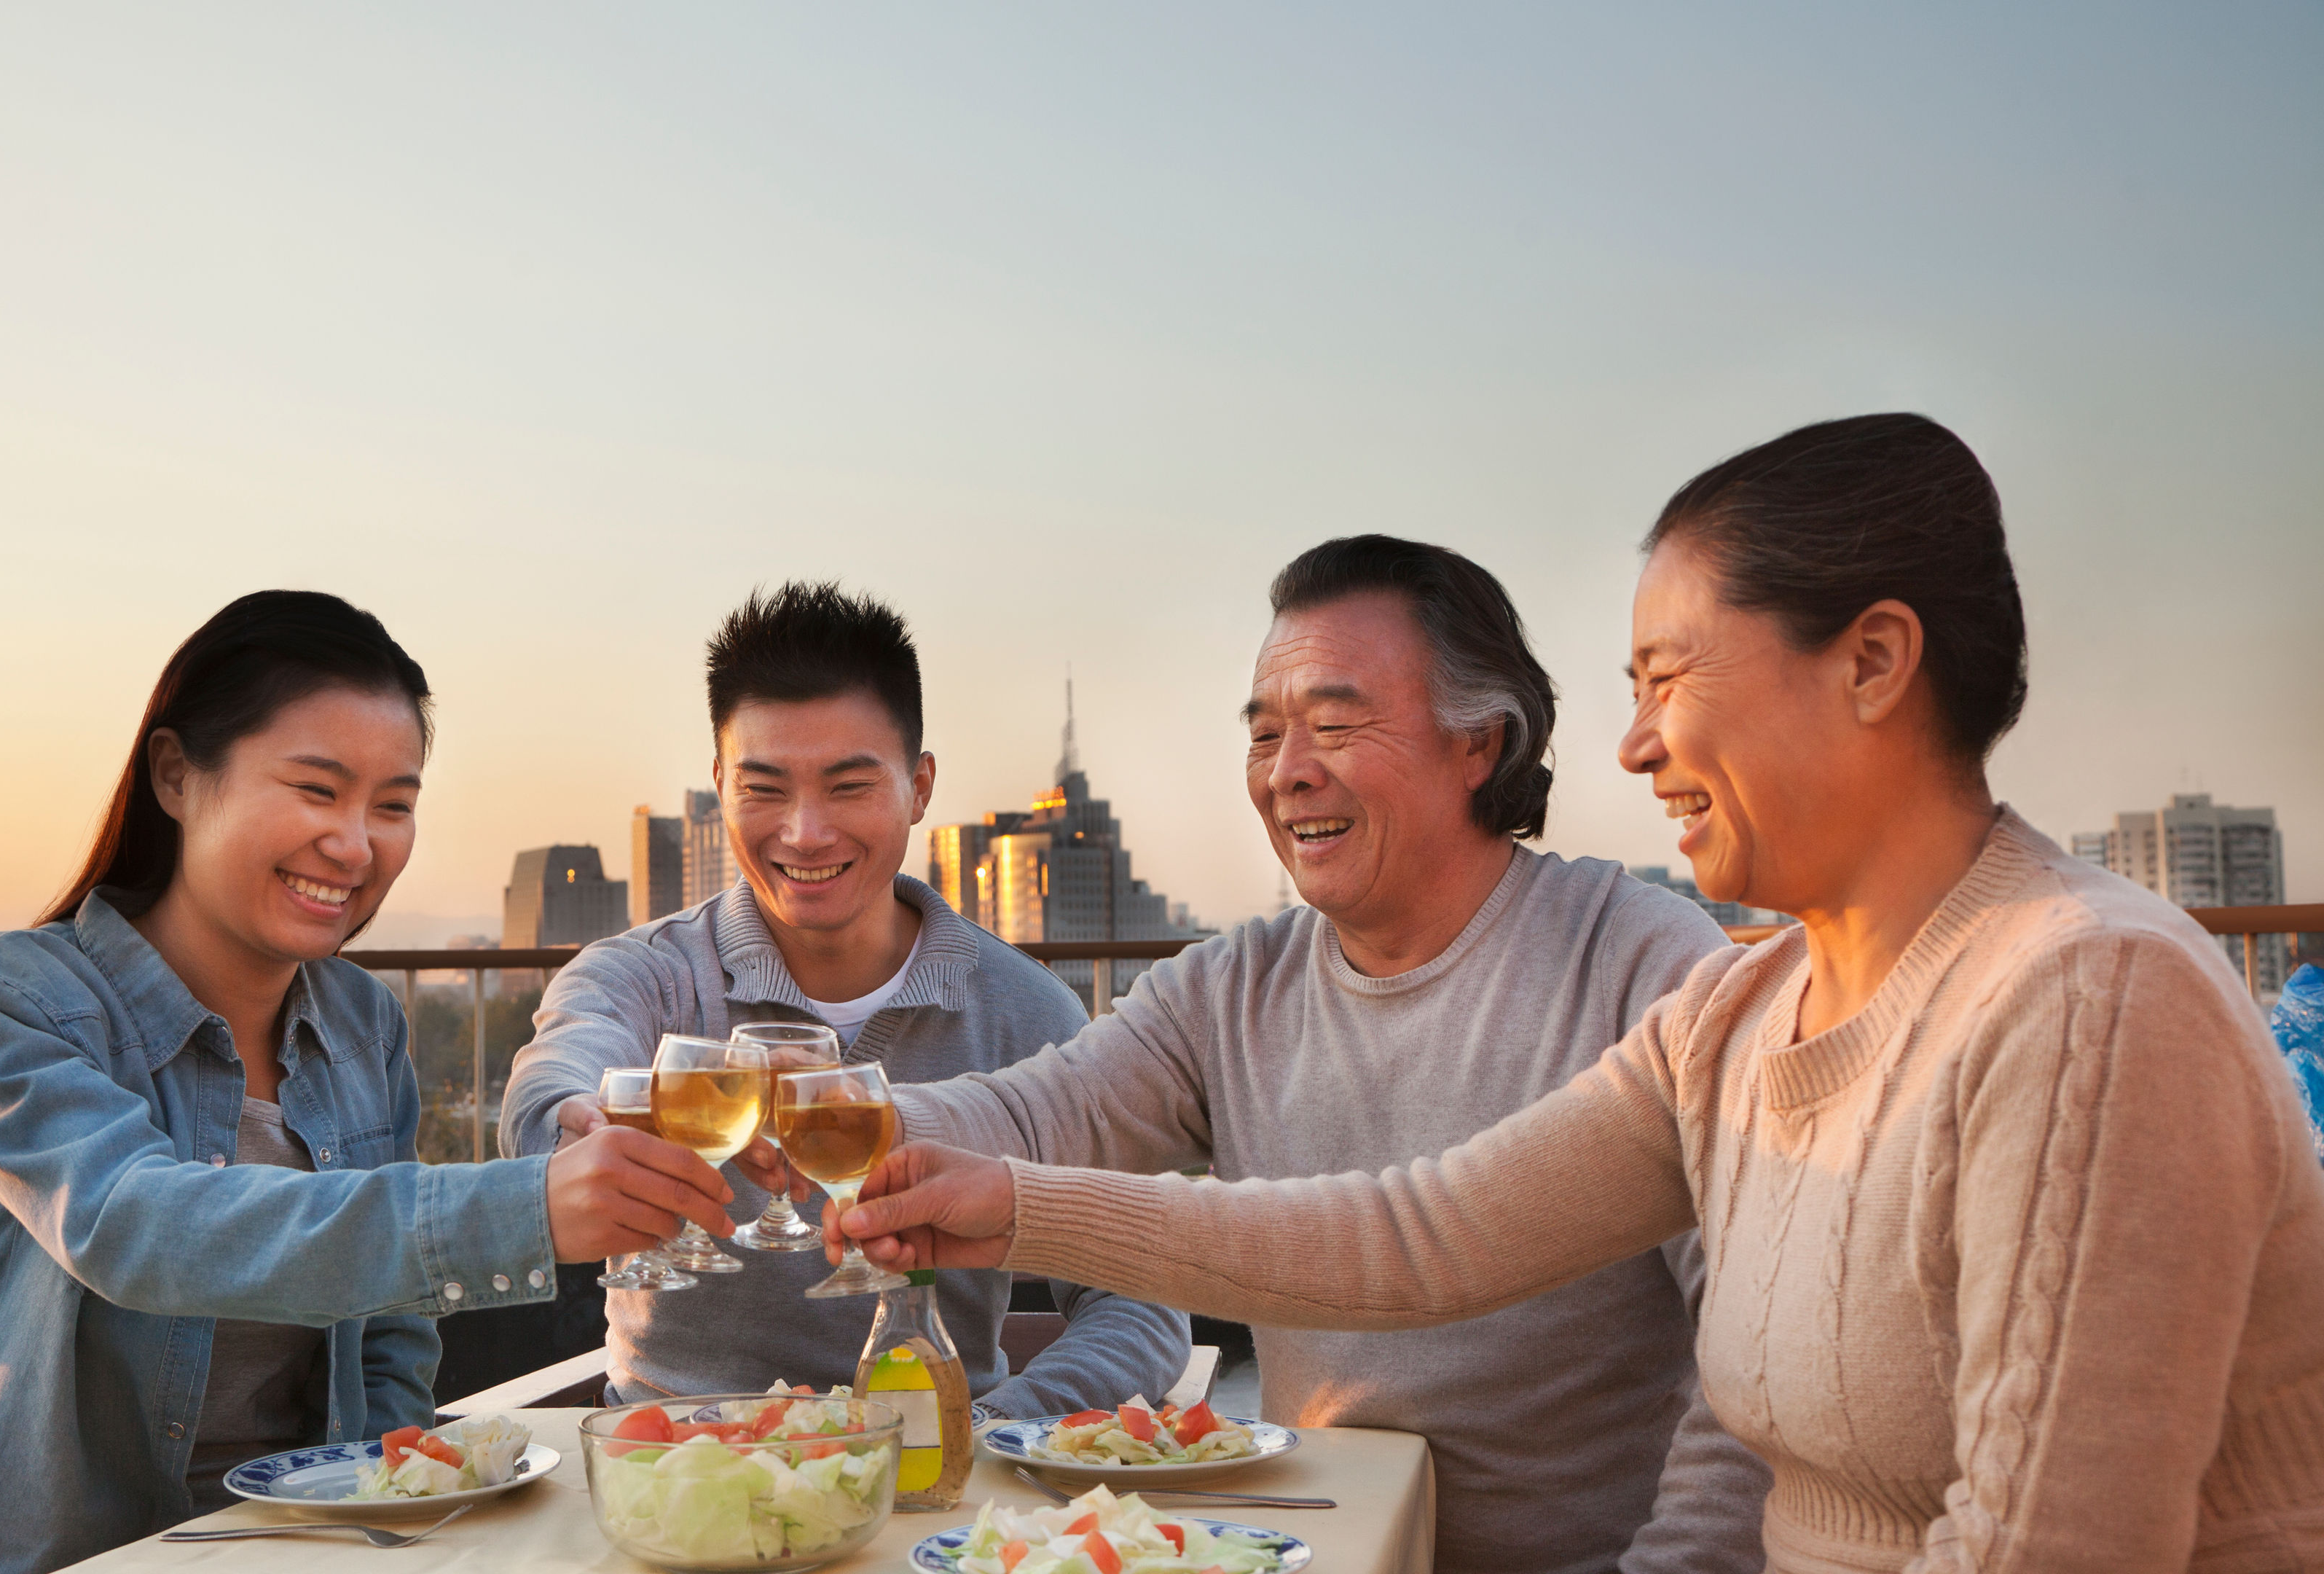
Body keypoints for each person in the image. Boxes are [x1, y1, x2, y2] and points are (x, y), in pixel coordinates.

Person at [839, 415, 2324, 1572]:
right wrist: (1010, 1203)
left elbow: (2049, 1550)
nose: (1628, 746)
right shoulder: (1745, 1017)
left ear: (1873, 662)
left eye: (1668, 679)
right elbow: (1411, 1241)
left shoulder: (2088, 997)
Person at [827, 537, 1770, 1573]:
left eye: (1334, 725)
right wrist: (810, 1118)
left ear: (1482, 746)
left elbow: (1753, 1347)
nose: (1287, 773)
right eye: (1266, 734)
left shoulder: (1644, 962)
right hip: (1301, 1555)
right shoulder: (1231, 987)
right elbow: (1039, 1115)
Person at [0, 591, 734, 1574]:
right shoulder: (9, 1000)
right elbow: (139, 1228)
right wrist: (525, 1207)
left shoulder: (360, 1022)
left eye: (393, 806)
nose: (355, 845)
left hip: (305, 1553)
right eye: (317, 790)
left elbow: (391, 1342)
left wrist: (394, 1526)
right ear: (175, 774)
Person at [499, 582, 1190, 1417]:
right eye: (765, 789)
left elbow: (1140, 1300)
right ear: (721, 785)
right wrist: (577, 1122)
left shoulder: (1028, 1013)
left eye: (848, 786)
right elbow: (551, 1084)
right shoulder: (642, 974)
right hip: (679, 1475)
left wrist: (999, 1429)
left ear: (920, 787)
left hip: (935, 1482)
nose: (804, 832)